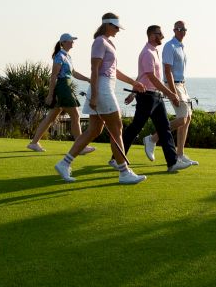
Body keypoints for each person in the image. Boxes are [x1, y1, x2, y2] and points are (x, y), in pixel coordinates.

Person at [54, 13, 147, 185]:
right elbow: (94, 69)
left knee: (94, 130)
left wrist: (135, 82)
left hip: (105, 87)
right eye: (116, 27)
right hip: (102, 89)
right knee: (117, 128)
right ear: (108, 25)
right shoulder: (99, 42)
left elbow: (114, 71)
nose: (118, 30)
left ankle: (64, 163)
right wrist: (95, 95)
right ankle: (124, 172)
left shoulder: (108, 42)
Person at [121, 25, 190, 173]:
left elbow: (143, 76)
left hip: (155, 96)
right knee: (135, 127)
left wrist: (133, 92)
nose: (163, 36)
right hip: (147, 96)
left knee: (164, 129)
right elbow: (151, 77)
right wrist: (171, 93)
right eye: (160, 34)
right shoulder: (147, 53)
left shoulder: (153, 51)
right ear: (152, 35)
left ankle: (172, 163)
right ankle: (116, 158)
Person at [27, 33, 95, 154]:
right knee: (75, 116)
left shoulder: (67, 56)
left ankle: (34, 143)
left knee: (51, 117)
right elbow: (54, 76)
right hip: (63, 87)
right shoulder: (59, 56)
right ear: (63, 42)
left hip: (66, 86)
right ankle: (80, 147)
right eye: (70, 40)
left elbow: (74, 73)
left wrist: (88, 79)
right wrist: (50, 94)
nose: (73, 42)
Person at [147, 20, 198, 167]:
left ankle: (180, 154)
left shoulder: (181, 46)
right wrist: (173, 92)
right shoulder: (170, 46)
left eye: (184, 29)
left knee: (187, 118)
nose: (182, 31)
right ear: (174, 30)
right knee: (182, 119)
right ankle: (153, 139)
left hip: (182, 84)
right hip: (173, 84)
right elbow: (167, 70)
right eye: (179, 29)